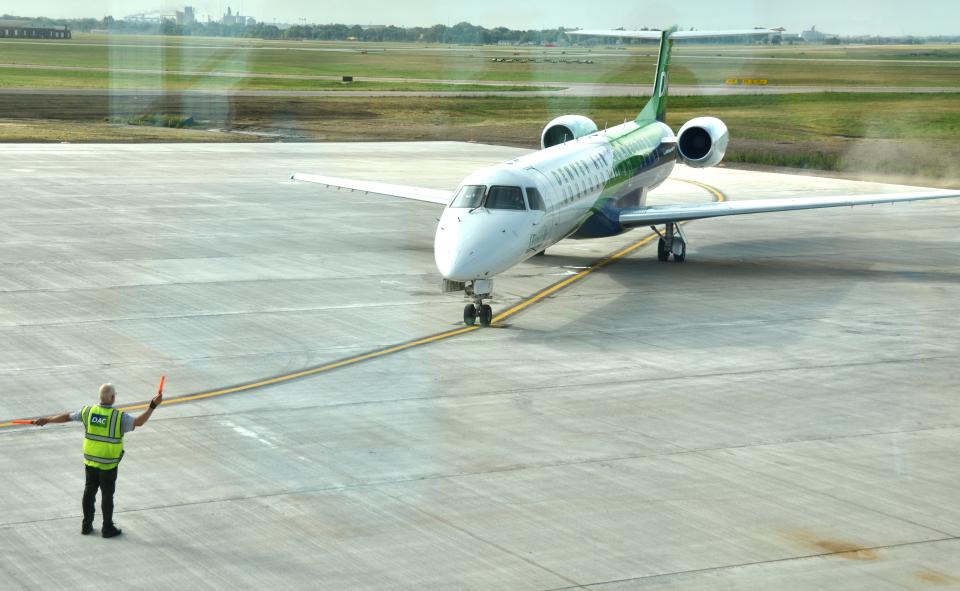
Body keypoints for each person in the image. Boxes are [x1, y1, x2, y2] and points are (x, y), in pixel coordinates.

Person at [33, 383, 162, 538]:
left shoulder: (88, 412)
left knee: (89, 492)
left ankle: (86, 525)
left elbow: (67, 416)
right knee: (107, 496)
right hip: (108, 464)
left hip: (90, 462)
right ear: (113, 398)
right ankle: (107, 528)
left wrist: (47, 419)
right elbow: (139, 422)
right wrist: (152, 406)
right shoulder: (118, 417)